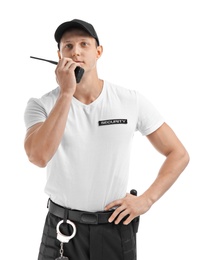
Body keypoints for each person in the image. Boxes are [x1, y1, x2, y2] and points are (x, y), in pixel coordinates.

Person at [24, 19, 189, 260]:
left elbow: (178, 154)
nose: (76, 51)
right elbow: (38, 157)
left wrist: (146, 200)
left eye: (84, 44)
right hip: (63, 230)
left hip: (114, 228)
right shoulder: (40, 105)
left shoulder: (130, 100)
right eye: (68, 46)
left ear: (98, 51)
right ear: (59, 55)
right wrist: (67, 92)